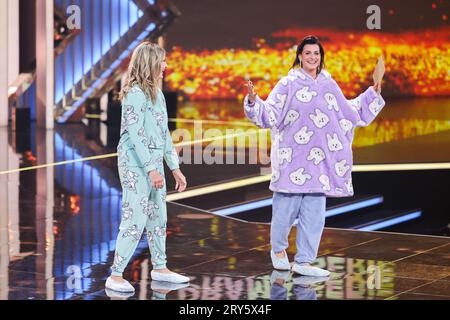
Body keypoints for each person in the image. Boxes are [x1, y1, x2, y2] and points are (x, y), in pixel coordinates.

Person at [243, 35, 385, 277]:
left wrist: (372, 93)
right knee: (285, 211)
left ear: (321, 57)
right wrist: (254, 101)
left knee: (314, 216)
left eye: (316, 54)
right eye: (308, 53)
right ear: (300, 56)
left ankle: (304, 261)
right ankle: (278, 251)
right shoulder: (288, 84)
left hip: (320, 164)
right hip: (293, 160)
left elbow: (348, 112)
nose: (312, 58)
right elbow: (270, 113)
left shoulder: (329, 84)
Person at [106, 42, 189, 293]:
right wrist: (152, 169)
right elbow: (136, 134)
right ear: (150, 62)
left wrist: (174, 167)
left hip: (152, 163)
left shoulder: (158, 94)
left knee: (157, 216)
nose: (165, 66)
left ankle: (160, 268)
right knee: (135, 217)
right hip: (135, 163)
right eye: (162, 61)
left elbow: (163, 134)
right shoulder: (134, 93)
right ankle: (115, 274)